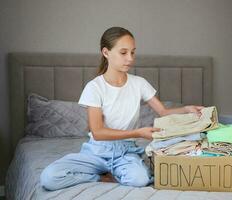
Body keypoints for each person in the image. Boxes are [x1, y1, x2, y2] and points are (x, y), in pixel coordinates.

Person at [40, 27, 204, 190]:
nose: (130, 58)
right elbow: (98, 132)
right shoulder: (95, 87)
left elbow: (163, 112)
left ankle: (117, 172)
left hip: (126, 151)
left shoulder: (139, 83)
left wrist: (187, 109)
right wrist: (138, 133)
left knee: (139, 179)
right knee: (50, 177)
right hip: (96, 151)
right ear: (106, 52)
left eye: (133, 52)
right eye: (123, 53)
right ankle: (100, 176)